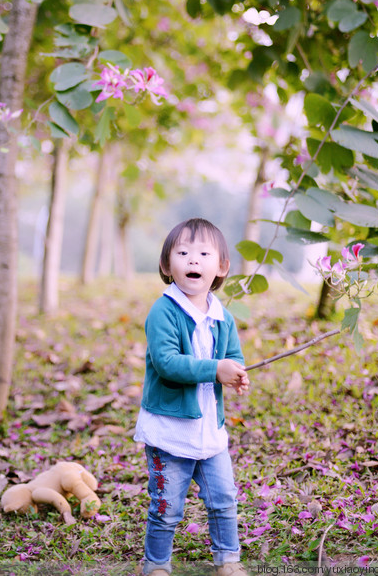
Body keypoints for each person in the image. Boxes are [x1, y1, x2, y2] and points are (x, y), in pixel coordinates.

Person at [134, 217, 250, 576]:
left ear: (221, 267)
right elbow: (166, 363)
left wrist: (236, 375)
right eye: (182, 253)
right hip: (170, 433)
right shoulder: (163, 311)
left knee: (224, 499)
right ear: (167, 266)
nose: (193, 260)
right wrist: (216, 369)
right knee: (166, 506)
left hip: (210, 435)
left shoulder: (222, 317)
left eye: (203, 253)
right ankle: (156, 564)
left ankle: (227, 559)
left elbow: (233, 358)